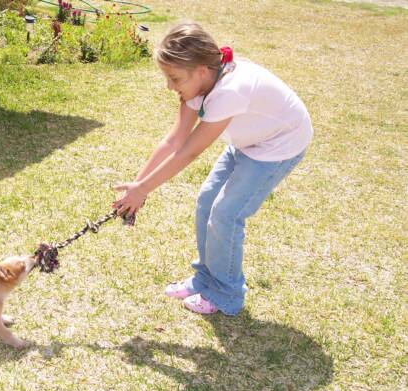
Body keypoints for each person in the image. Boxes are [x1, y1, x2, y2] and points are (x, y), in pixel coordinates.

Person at [112, 22, 312, 316]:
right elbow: (175, 139)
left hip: (278, 145)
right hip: (248, 141)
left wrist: (144, 190)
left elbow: (190, 151)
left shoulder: (230, 91)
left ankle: (227, 295)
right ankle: (205, 280)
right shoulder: (199, 85)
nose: (169, 86)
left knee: (226, 214)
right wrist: (137, 186)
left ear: (202, 71)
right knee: (207, 201)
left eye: (174, 78)